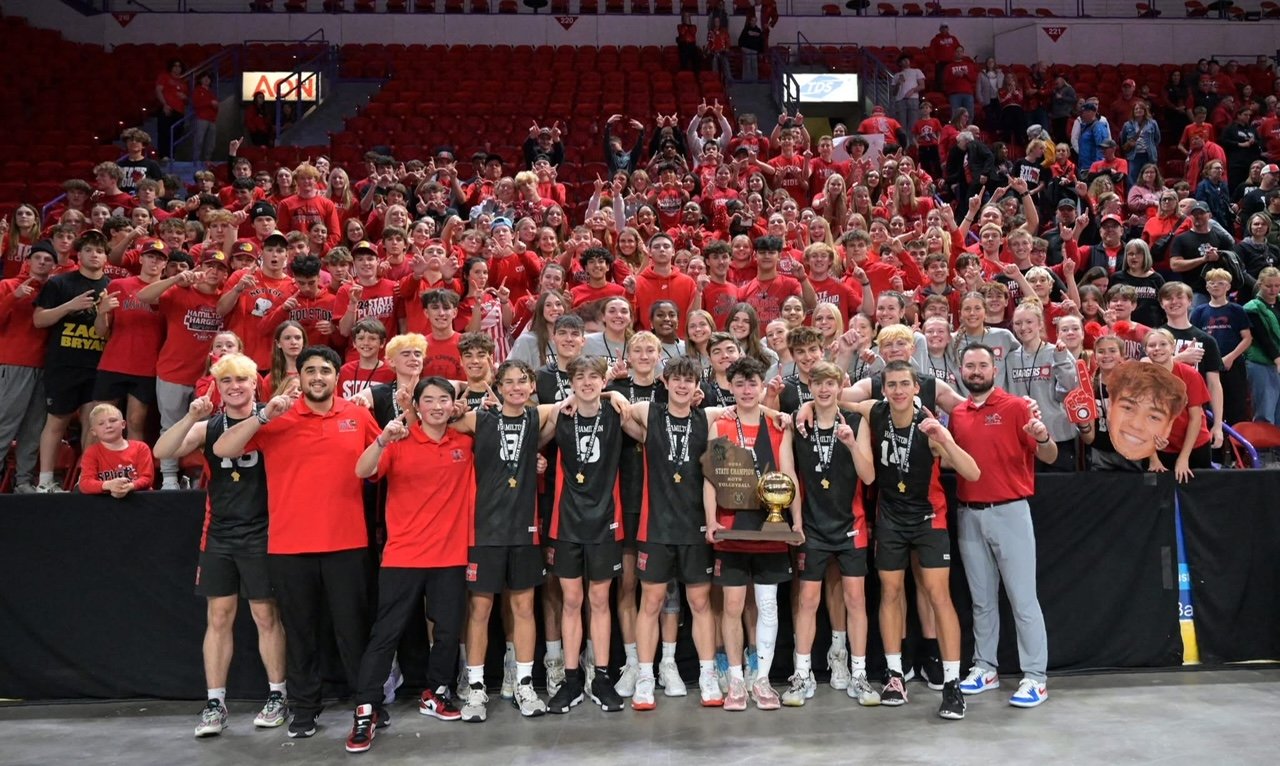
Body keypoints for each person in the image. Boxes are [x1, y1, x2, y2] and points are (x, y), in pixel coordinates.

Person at [213, 345, 379, 739]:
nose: (317, 377)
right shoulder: (278, 415)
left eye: (325, 370)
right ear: (298, 377)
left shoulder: (357, 415)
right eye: (310, 371)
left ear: (337, 377)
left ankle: (366, 706)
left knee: (353, 632)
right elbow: (223, 448)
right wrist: (262, 414)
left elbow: (387, 458)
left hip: (348, 543)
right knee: (300, 634)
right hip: (289, 546)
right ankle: (305, 709)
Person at [152, 353, 287, 738]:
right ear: (218, 387)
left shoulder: (270, 418)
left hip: (263, 530)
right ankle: (215, 702)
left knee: (265, 615)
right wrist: (191, 416)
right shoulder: (209, 425)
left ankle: (277, 694)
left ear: (253, 384)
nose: (235, 387)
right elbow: (164, 451)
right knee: (219, 617)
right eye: (226, 382)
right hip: (220, 531)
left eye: (241, 381)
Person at [344, 376, 477, 753]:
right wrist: (383, 438)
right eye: (429, 400)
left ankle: (435, 692)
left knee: (449, 630)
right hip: (403, 557)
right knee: (386, 633)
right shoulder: (398, 442)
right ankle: (366, 708)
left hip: (451, 557)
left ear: (453, 406)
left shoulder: (464, 445)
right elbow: (362, 470)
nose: (437, 406)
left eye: (444, 400)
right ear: (417, 406)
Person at [850, 361, 979, 720]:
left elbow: (972, 472)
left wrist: (945, 442)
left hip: (928, 518)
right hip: (890, 519)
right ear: (884, 389)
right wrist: (812, 406)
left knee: (939, 595)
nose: (898, 391)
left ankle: (952, 684)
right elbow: (838, 399)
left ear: (916, 387)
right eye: (891, 385)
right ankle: (894, 676)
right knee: (890, 592)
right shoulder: (874, 411)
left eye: (905, 384)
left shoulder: (930, 424)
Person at [449, 360, 564, 721]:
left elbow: (575, 399)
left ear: (532, 386)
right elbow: (439, 418)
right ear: (497, 387)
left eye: (522, 381)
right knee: (480, 610)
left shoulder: (538, 417)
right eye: (508, 382)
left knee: (524, 608)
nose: (515, 387)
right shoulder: (480, 419)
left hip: (524, 530)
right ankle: (477, 688)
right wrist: (459, 399)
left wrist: (608, 389)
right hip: (484, 531)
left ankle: (526, 684)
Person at [949, 343, 1053, 709]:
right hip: (968, 514)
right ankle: (985, 668)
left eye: (982, 365)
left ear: (994, 369)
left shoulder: (1017, 407)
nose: (976, 372)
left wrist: (1042, 436)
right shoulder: (957, 414)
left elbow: (1049, 453)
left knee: (1023, 599)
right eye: (969, 366)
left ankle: (1036, 677)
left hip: (1010, 512)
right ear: (960, 370)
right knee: (981, 601)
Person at [617, 356, 724, 709]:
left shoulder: (705, 417)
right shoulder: (650, 412)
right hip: (656, 527)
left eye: (688, 380)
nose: (682, 385)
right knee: (650, 602)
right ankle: (646, 676)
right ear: (665, 382)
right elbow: (617, 402)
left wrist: (783, 414)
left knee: (699, 603)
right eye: (676, 379)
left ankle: (708, 675)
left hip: (694, 526)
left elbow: (743, 410)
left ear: (697, 386)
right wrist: (605, 394)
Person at [704, 356, 801, 712]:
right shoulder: (720, 424)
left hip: (770, 528)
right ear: (730, 386)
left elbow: (788, 476)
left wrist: (798, 522)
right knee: (731, 606)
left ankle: (761, 680)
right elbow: (711, 478)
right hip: (731, 528)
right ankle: (734, 681)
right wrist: (711, 519)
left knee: (767, 606)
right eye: (740, 384)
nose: (747, 390)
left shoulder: (779, 425)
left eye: (753, 383)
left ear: (763, 386)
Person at [784, 361, 879, 708]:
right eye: (817, 384)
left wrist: (853, 445)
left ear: (841, 385)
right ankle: (803, 674)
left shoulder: (856, 422)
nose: (824, 390)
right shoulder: (799, 422)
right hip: (813, 526)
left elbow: (868, 477)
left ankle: (859, 674)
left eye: (830, 383)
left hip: (850, 525)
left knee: (856, 600)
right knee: (807, 601)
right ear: (809, 387)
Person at [545, 356, 628, 715]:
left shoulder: (615, 412)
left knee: (599, 599)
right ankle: (572, 677)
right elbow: (520, 416)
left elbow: (649, 415)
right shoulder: (558, 415)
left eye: (595, 377)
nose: (588, 383)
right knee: (571, 600)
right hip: (566, 522)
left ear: (602, 380)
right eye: (580, 377)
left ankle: (603, 677)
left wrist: (614, 395)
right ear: (571, 382)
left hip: (605, 520)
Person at [32, 229, 112, 493]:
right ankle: (45, 481)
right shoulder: (59, 283)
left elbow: (110, 331)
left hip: (98, 366)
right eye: (88, 250)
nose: (94, 254)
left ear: (105, 258)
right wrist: (69, 306)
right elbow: (39, 320)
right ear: (79, 254)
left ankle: (84, 480)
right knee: (57, 422)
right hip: (63, 364)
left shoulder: (112, 287)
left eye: (99, 251)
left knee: (93, 425)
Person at [0, 241, 57, 494]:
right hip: (14, 362)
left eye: (48, 259)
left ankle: (23, 480)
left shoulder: (53, 289)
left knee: (34, 428)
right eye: (38, 258)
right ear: (28, 260)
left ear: (54, 265)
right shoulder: (8, 285)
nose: (42, 262)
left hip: (44, 365)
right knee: (4, 423)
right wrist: (15, 297)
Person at [1142, 329, 1212, 481]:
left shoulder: (1190, 375)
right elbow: (1143, 420)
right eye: (1151, 345)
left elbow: (1196, 418)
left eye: (1163, 344)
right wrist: (1153, 458)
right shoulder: (1141, 379)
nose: (1157, 349)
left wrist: (1184, 458)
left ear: (1172, 347)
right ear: (1145, 350)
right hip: (1160, 446)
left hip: (1195, 445)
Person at [77, 403, 154, 496]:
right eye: (101, 423)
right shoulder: (91, 452)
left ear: (123, 424)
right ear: (93, 431)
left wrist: (130, 486)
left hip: (138, 499)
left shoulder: (141, 448)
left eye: (113, 420)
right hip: (105, 503)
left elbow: (147, 478)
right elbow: (85, 484)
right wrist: (108, 485)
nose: (108, 425)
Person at [155, 59, 187, 160]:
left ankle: (171, 155)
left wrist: (184, 97)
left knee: (176, 134)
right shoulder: (164, 76)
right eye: (175, 66)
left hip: (179, 111)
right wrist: (165, 104)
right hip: (167, 109)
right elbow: (158, 90)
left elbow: (187, 99)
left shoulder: (183, 81)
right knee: (164, 133)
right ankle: (163, 155)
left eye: (179, 66)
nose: (177, 68)